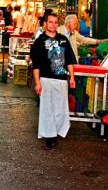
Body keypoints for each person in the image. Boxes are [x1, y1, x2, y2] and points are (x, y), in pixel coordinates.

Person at [30, 12, 77, 150]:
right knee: (47, 109)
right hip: (45, 80)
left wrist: (72, 77)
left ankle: (57, 132)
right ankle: (49, 137)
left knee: (61, 108)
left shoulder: (63, 40)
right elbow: (36, 65)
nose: (53, 25)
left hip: (61, 79)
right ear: (45, 24)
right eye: (50, 22)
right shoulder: (39, 42)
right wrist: (37, 83)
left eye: (56, 22)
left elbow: (69, 61)